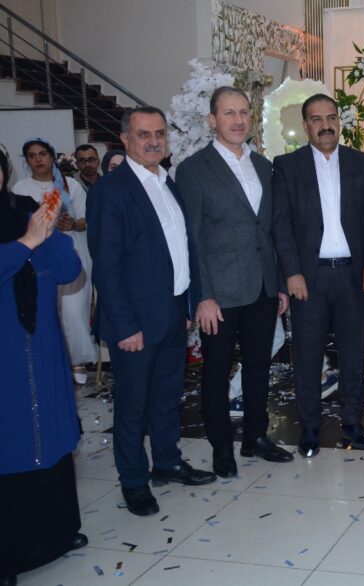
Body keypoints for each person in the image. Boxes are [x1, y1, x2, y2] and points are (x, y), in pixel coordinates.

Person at [87, 106, 216, 517]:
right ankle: (133, 480)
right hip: (135, 323)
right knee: (133, 406)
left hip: (172, 312)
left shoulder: (166, 182)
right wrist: (124, 325)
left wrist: (189, 303)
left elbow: (181, 247)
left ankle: (167, 461)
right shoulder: (112, 190)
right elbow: (106, 266)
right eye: (144, 134)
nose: (154, 141)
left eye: (160, 133)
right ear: (125, 139)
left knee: (165, 397)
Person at [175, 86, 293, 476]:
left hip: (262, 287)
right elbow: (192, 237)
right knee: (216, 373)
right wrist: (203, 296)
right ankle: (222, 448)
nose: (238, 120)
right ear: (212, 120)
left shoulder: (262, 165)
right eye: (229, 113)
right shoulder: (194, 169)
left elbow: (269, 230)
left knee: (259, 367)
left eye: (243, 112)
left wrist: (278, 284)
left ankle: (255, 437)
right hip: (220, 293)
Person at [272, 94, 364, 456]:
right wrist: (292, 273)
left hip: (353, 276)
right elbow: (281, 224)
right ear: (306, 125)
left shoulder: (361, 162)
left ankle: (352, 423)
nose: (326, 125)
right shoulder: (287, 166)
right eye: (317, 119)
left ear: (339, 122)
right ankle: (309, 428)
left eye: (331, 118)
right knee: (307, 357)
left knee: (353, 355)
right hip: (310, 279)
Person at [1, 154, 88, 585]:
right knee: (11, 444)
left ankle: (56, 534)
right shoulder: (24, 231)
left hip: (41, 349)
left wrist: (47, 232)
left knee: (49, 436)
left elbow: (69, 270)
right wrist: (25, 245)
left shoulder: (23, 213)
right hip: (6, 356)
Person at [13, 139, 97, 383]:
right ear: (27, 161)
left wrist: (72, 223)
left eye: (42, 154)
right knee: (45, 310)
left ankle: (77, 361)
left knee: (74, 310)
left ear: (52, 157)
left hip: (71, 251)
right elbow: (17, 225)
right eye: (32, 155)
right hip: (36, 256)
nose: (38, 159)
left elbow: (85, 220)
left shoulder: (70, 185)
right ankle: (50, 364)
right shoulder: (20, 188)